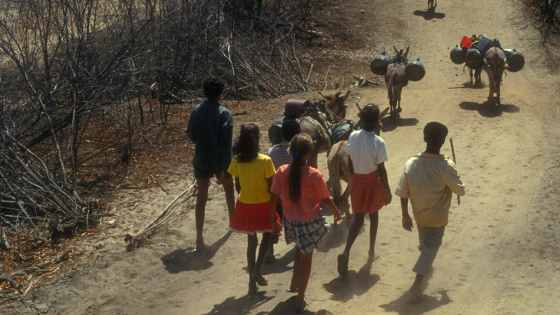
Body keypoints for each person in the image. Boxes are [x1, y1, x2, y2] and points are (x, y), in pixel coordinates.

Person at [395, 122, 466, 300]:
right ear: (442, 141)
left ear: (425, 138)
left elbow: (403, 192)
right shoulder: (445, 165)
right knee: (431, 249)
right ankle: (417, 285)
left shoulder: (410, 163)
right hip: (437, 218)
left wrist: (405, 214)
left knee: (425, 246)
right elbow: (460, 190)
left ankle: (425, 272)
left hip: (418, 215)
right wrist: (455, 172)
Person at [271, 134, 341, 312]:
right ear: (309, 154)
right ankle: (300, 297)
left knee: (299, 249)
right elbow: (325, 198)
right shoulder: (314, 175)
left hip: (290, 221)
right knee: (307, 259)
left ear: (290, 151)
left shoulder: (281, 172)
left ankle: (295, 283)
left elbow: (274, 197)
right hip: (309, 223)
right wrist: (336, 211)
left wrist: (273, 217)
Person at [337, 104, 392, 278]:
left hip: (357, 180)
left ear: (361, 119)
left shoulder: (352, 136)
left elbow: (351, 160)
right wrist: (387, 189)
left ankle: (346, 251)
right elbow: (381, 169)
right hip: (371, 180)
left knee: (358, 218)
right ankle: (371, 250)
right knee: (374, 215)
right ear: (377, 121)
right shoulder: (378, 141)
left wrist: (353, 178)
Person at [186, 78, 236, 253]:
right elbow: (226, 143)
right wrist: (224, 167)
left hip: (201, 158)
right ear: (220, 94)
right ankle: (234, 223)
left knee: (202, 198)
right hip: (220, 160)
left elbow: (191, 136)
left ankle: (199, 238)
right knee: (229, 190)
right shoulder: (225, 114)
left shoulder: (196, 111)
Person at [228, 123, 277, 295]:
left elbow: (237, 185)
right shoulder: (265, 161)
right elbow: (272, 187)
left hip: (245, 204)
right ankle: (257, 270)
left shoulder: (236, 161)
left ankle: (251, 281)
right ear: (257, 139)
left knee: (251, 242)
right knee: (268, 235)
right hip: (263, 204)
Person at [265, 119, 301, 262]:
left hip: (277, 192)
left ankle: (269, 251)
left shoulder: (271, 151)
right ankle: (299, 243)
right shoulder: (298, 151)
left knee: (275, 219)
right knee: (297, 218)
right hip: (293, 193)